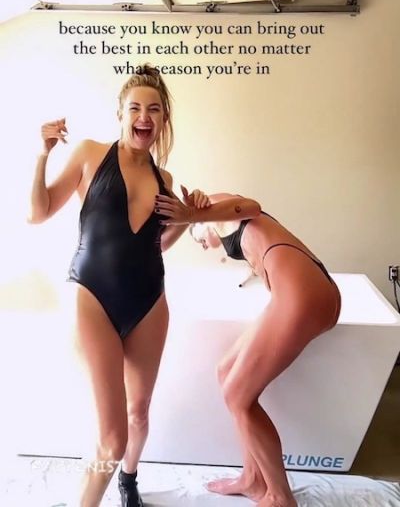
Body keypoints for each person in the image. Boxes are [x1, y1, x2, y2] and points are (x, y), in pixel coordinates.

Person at [28, 65, 209, 507]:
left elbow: (156, 244)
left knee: (138, 414)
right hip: (92, 295)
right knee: (112, 438)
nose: (144, 116)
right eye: (135, 108)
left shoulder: (165, 181)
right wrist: (41, 154)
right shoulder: (90, 154)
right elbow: (37, 212)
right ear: (121, 114)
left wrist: (188, 218)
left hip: (148, 301)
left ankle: (128, 481)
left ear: (163, 119)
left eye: (154, 109)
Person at [155, 191, 341, 507]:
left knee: (238, 396)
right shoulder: (220, 220)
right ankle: (253, 478)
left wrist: (193, 215)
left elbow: (252, 207)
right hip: (300, 291)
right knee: (226, 370)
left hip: (305, 294)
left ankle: (280, 497)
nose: (201, 244)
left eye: (196, 238)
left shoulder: (217, 206)